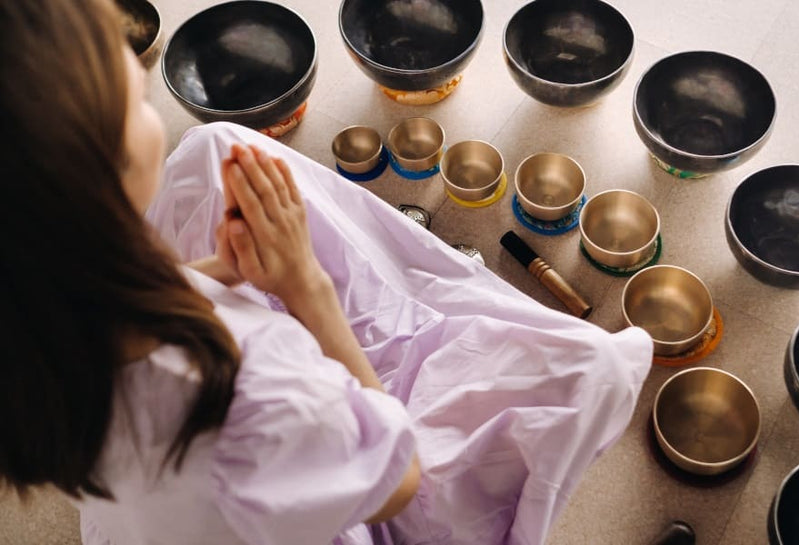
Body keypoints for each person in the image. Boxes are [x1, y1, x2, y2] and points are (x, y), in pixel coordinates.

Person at [0, 0, 653, 544]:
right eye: (139, 105)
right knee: (588, 369)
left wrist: (222, 270)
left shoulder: (35, 309)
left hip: (163, 499)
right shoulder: (256, 388)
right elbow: (396, 480)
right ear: (94, 185)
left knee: (213, 146)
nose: (153, 119)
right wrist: (307, 292)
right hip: (322, 490)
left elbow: (127, 300)